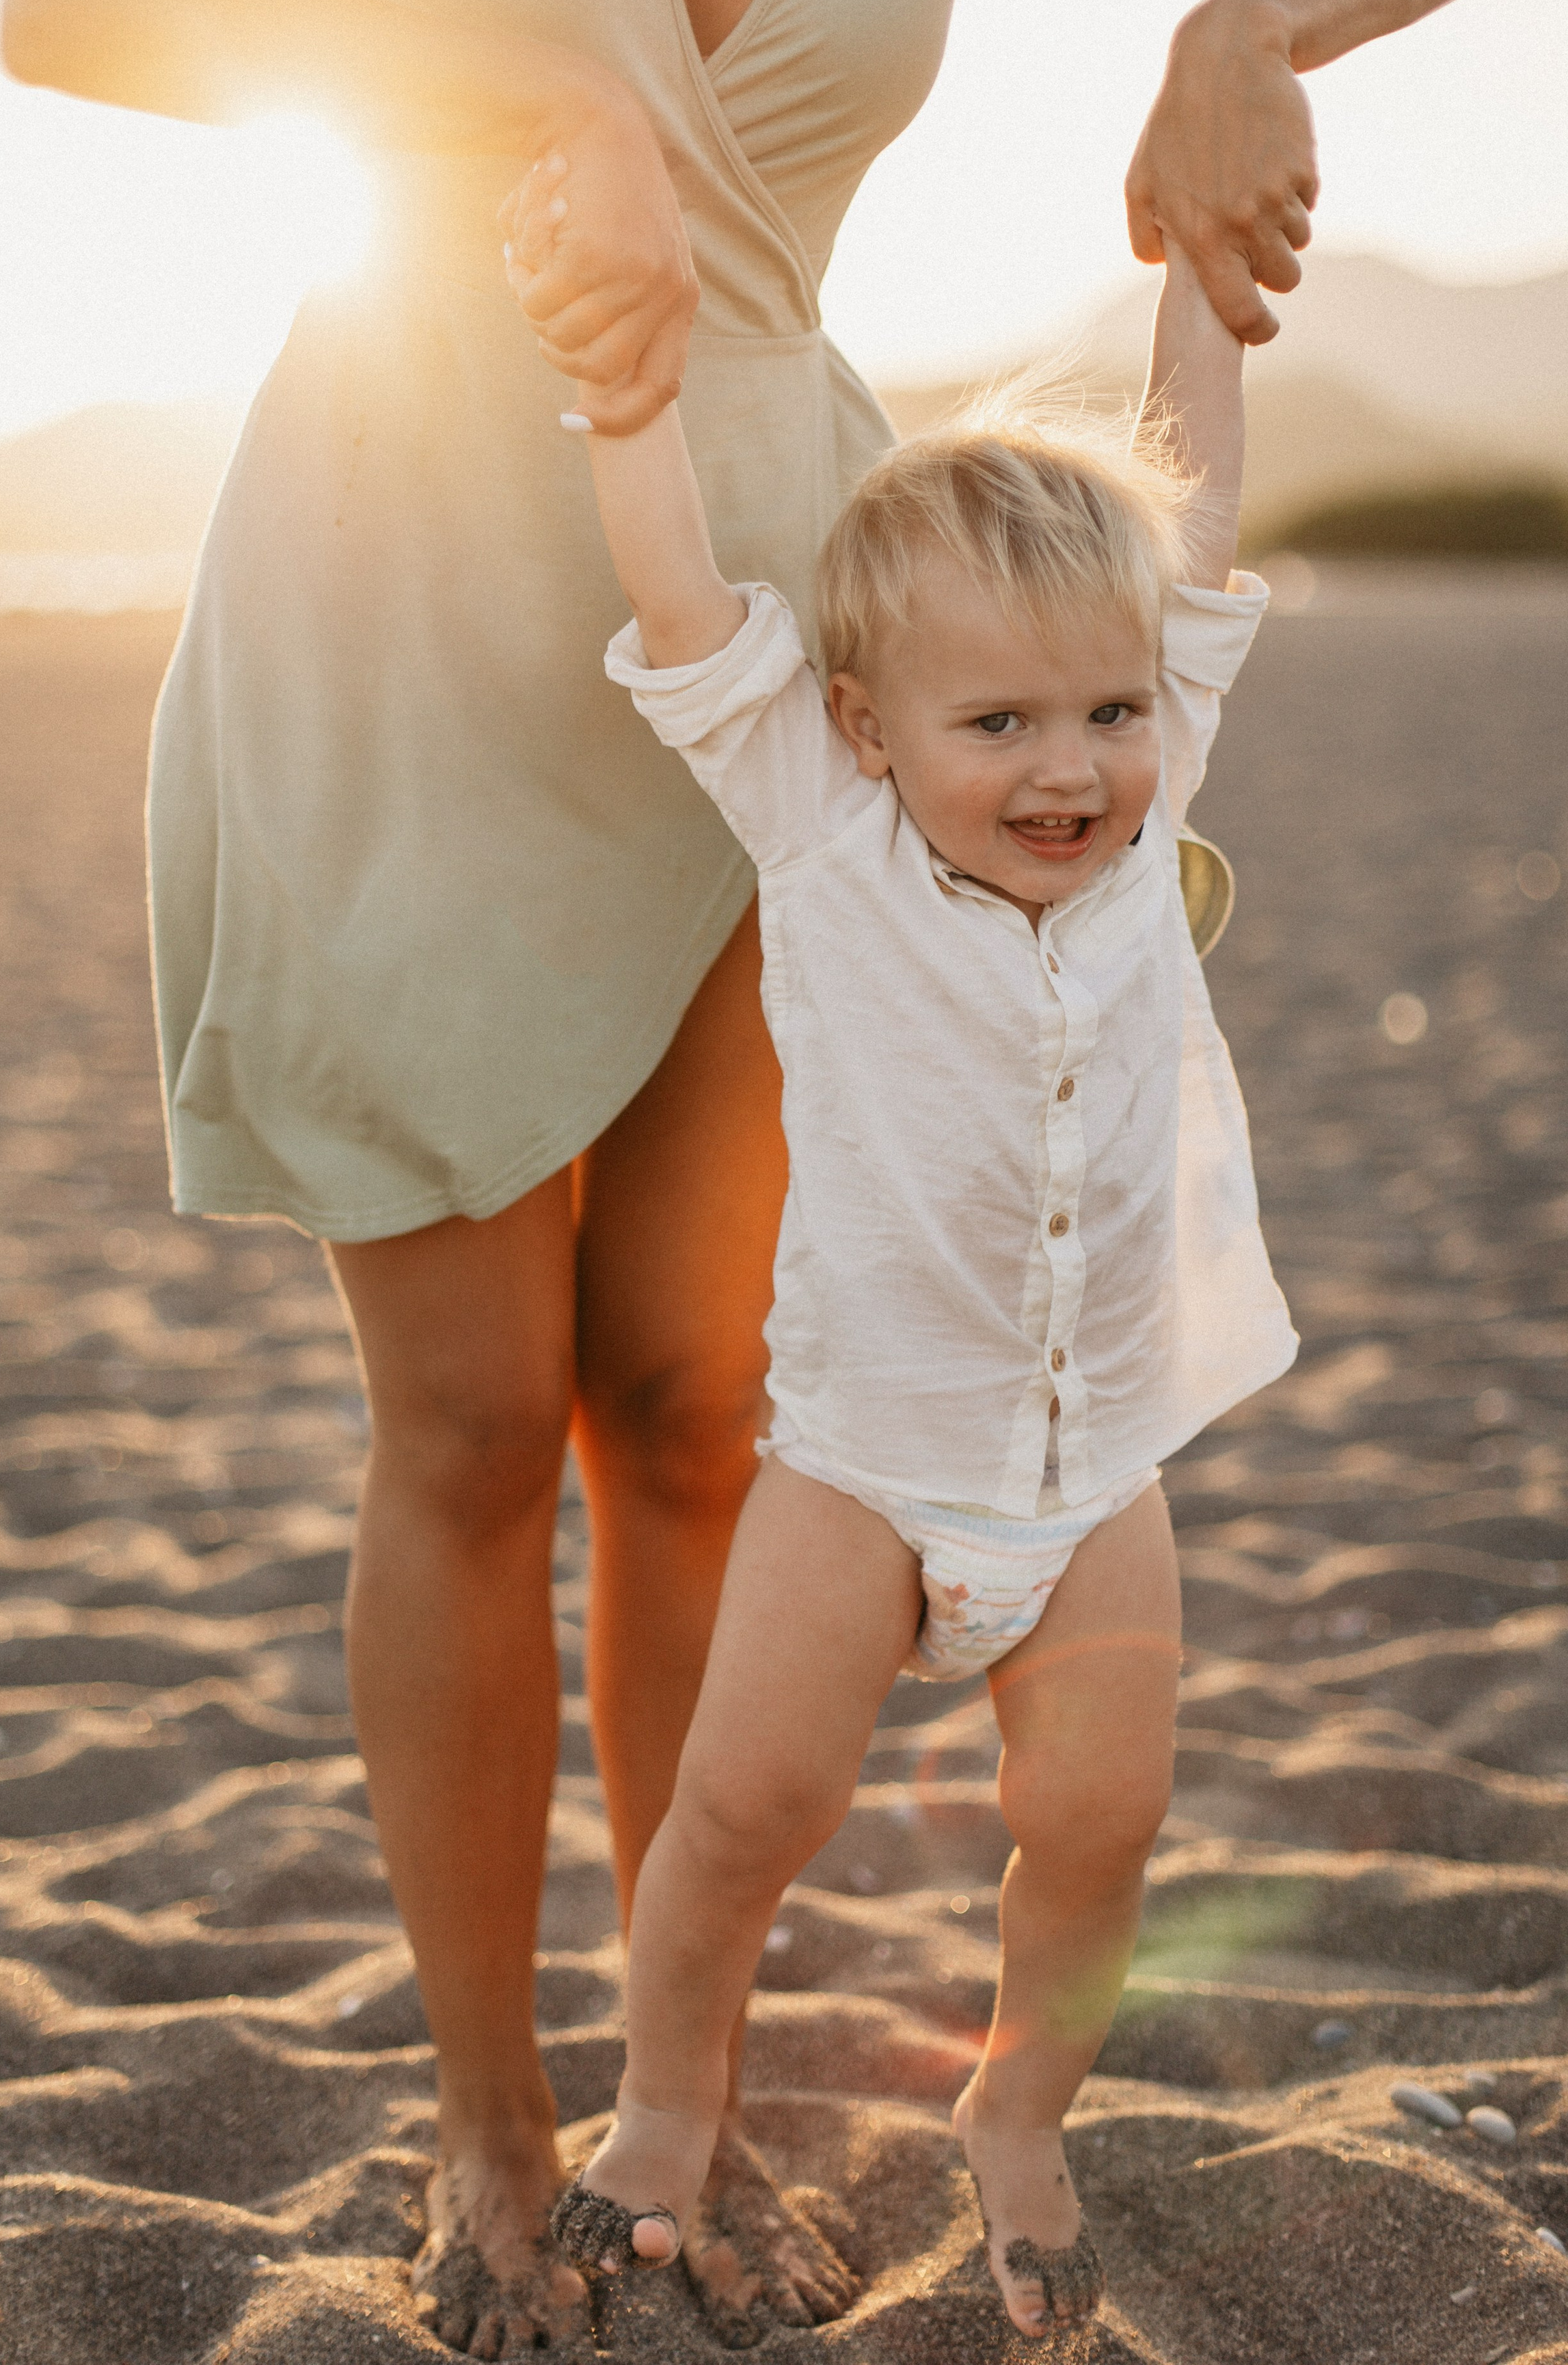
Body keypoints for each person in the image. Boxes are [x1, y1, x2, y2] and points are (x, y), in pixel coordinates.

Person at [0, 0, 1487, 2349]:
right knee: (466, 1425)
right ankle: (489, 2121)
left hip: (778, 605)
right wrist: (517, 83)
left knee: (701, 1412)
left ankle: (671, 2102)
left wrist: (1258, 24)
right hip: (402, 577)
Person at [506, 227, 1279, 2338]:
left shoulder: (1154, 794)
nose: (1074, 768)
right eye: (1002, 720)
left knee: (1103, 1824)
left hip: (1095, 1466)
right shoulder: (819, 826)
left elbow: (1192, 513)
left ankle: (1018, 2108)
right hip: (860, 1470)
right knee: (745, 1807)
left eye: (1112, 713)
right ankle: (669, 2101)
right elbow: (682, 601)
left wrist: (1201, 303)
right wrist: (632, 399)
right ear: (862, 725)